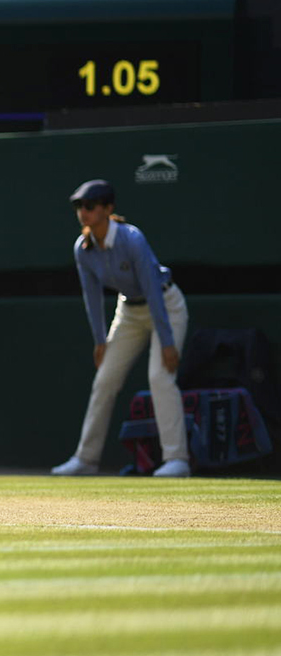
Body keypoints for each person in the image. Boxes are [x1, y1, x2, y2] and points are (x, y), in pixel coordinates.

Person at [52, 180, 191, 478]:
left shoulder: (132, 239)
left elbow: (153, 291)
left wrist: (167, 342)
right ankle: (85, 459)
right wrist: (99, 340)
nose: (83, 212)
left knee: (160, 376)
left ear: (108, 209)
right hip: (128, 312)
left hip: (166, 306)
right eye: (79, 206)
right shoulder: (83, 248)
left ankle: (177, 459)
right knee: (104, 380)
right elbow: (91, 297)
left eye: (89, 206)